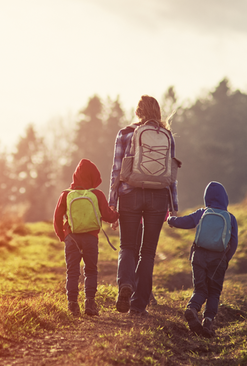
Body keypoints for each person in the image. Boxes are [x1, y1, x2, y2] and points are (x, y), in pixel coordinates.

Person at [109, 95, 180, 316]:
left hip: (129, 194)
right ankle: (139, 304)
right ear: (158, 113)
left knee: (127, 247)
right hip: (158, 197)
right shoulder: (167, 136)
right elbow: (171, 174)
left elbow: (117, 171)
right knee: (148, 252)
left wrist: (112, 203)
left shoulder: (124, 133)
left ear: (138, 112)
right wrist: (173, 205)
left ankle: (125, 286)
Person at [167, 181, 239, 337]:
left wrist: (170, 220)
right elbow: (233, 242)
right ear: (224, 198)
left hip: (198, 256)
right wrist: (226, 259)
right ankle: (208, 321)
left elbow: (184, 222)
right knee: (214, 292)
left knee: (200, 289)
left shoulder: (202, 213)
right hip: (218, 260)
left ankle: (192, 308)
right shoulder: (230, 218)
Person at [53, 158, 119, 316]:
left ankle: (72, 305)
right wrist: (117, 214)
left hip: (72, 238)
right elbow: (108, 216)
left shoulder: (66, 195)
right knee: (90, 270)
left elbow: (57, 218)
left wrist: (63, 236)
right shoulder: (97, 194)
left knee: (72, 272)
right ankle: (90, 304)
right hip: (90, 238)